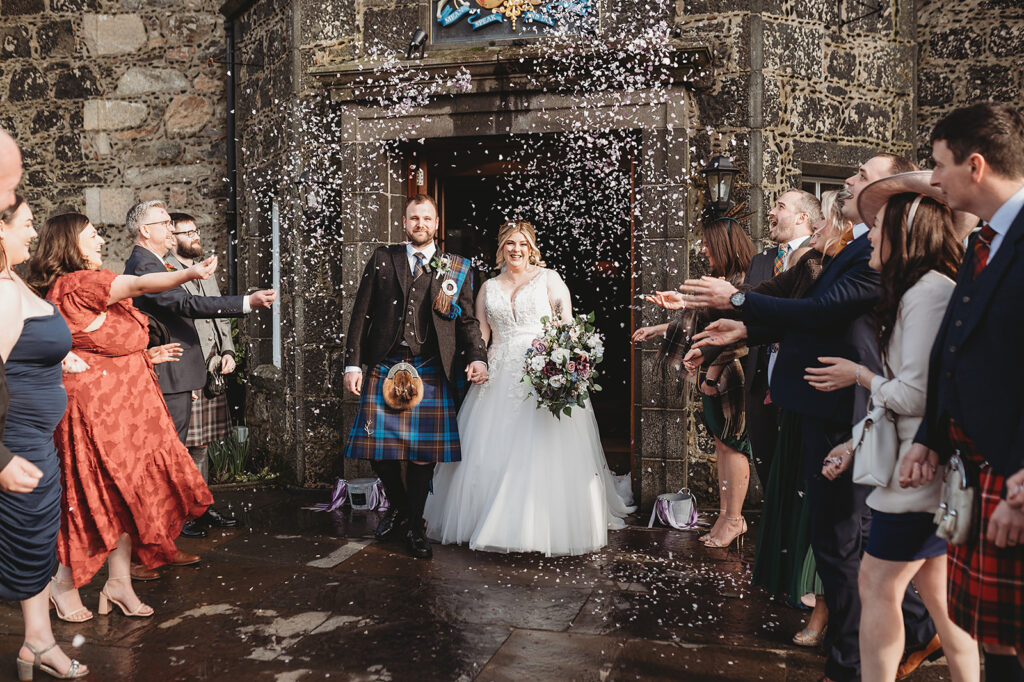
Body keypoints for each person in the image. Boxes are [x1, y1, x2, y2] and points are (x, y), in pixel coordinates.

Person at [685, 154, 940, 682]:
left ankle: (851, 664)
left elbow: (827, 311)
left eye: (862, 176)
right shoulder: (854, 244)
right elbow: (800, 301)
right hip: (823, 404)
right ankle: (918, 628)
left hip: (851, 408)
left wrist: (735, 299)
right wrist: (739, 327)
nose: (849, 181)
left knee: (842, 540)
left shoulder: (883, 251)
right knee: (848, 538)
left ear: (891, 195)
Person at [812, 172, 979, 680]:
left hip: (915, 475)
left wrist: (858, 375)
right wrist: (851, 443)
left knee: (876, 584)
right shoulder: (914, 292)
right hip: (911, 470)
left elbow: (917, 395)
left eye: (878, 227)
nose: (869, 238)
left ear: (906, 233)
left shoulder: (928, 294)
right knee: (939, 597)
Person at [25, 212, 218, 622]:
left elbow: (94, 344)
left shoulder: (66, 288)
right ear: (71, 245)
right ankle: (63, 584)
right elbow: (140, 284)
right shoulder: (82, 282)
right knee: (96, 495)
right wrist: (188, 274)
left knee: (127, 494)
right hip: (103, 411)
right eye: (92, 234)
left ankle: (118, 583)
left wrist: (142, 356)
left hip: (123, 403)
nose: (99, 240)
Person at [424, 220, 635, 555]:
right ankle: (487, 517)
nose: (516, 249)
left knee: (541, 450)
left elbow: (567, 326)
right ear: (501, 248)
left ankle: (538, 525)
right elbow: (481, 333)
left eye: (522, 243)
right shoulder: (488, 287)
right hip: (498, 374)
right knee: (489, 449)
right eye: (509, 243)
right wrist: (476, 361)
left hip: (542, 374)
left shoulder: (549, 279)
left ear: (532, 247)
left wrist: (564, 363)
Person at [902, 102, 1024, 679]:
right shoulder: (984, 241)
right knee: (992, 637)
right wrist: (930, 435)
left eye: (938, 164)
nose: (932, 179)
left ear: (975, 166)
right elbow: (953, 352)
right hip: (975, 467)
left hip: (1014, 473)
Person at [342, 194, 489, 559]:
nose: (420, 224)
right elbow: (361, 313)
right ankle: (404, 510)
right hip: (385, 363)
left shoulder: (456, 266)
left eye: (426, 218)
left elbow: (468, 320)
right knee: (377, 451)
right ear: (404, 223)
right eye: (413, 218)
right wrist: (352, 364)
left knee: (424, 454)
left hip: (431, 366)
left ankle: (415, 525)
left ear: (436, 223)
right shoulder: (383, 258)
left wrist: (478, 358)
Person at [123, 200, 274, 544]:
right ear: (145, 230)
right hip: (171, 373)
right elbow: (185, 304)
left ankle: (171, 530)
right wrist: (247, 302)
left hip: (181, 371)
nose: (170, 230)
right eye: (164, 223)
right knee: (168, 454)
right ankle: (158, 538)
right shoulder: (145, 265)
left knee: (176, 452)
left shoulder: (153, 262)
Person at [0, 196, 88, 679]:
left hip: (36, 436)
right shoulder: (1, 289)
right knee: (20, 542)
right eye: (28, 224)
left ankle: (37, 641)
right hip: (15, 439)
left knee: (36, 540)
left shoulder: (15, 280)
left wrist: (57, 360)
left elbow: (22, 350)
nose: (34, 234)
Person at [633, 216, 755, 549]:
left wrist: (713, 376)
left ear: (724, 246)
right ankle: (727, 515)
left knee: (734, 446)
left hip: (730, 376)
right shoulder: (725, 279)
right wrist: (659, 329)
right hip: (713, 373)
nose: (703, 249)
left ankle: (735, 518)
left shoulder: (743, 282)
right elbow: (699, 318)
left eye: (707, 244)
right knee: (722, 444)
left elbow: (733, 333)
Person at [165, 212, 240, 528]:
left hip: (212, 371)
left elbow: (219, 313)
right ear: (171, 239)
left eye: (196, 230)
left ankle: (201, 506)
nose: (195, 236)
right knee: (181, 447)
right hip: (188, 371)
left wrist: (227, 350)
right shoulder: (167, 272)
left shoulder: (205, 272)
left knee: (202, 445)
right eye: (187, 232)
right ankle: (181, 514)